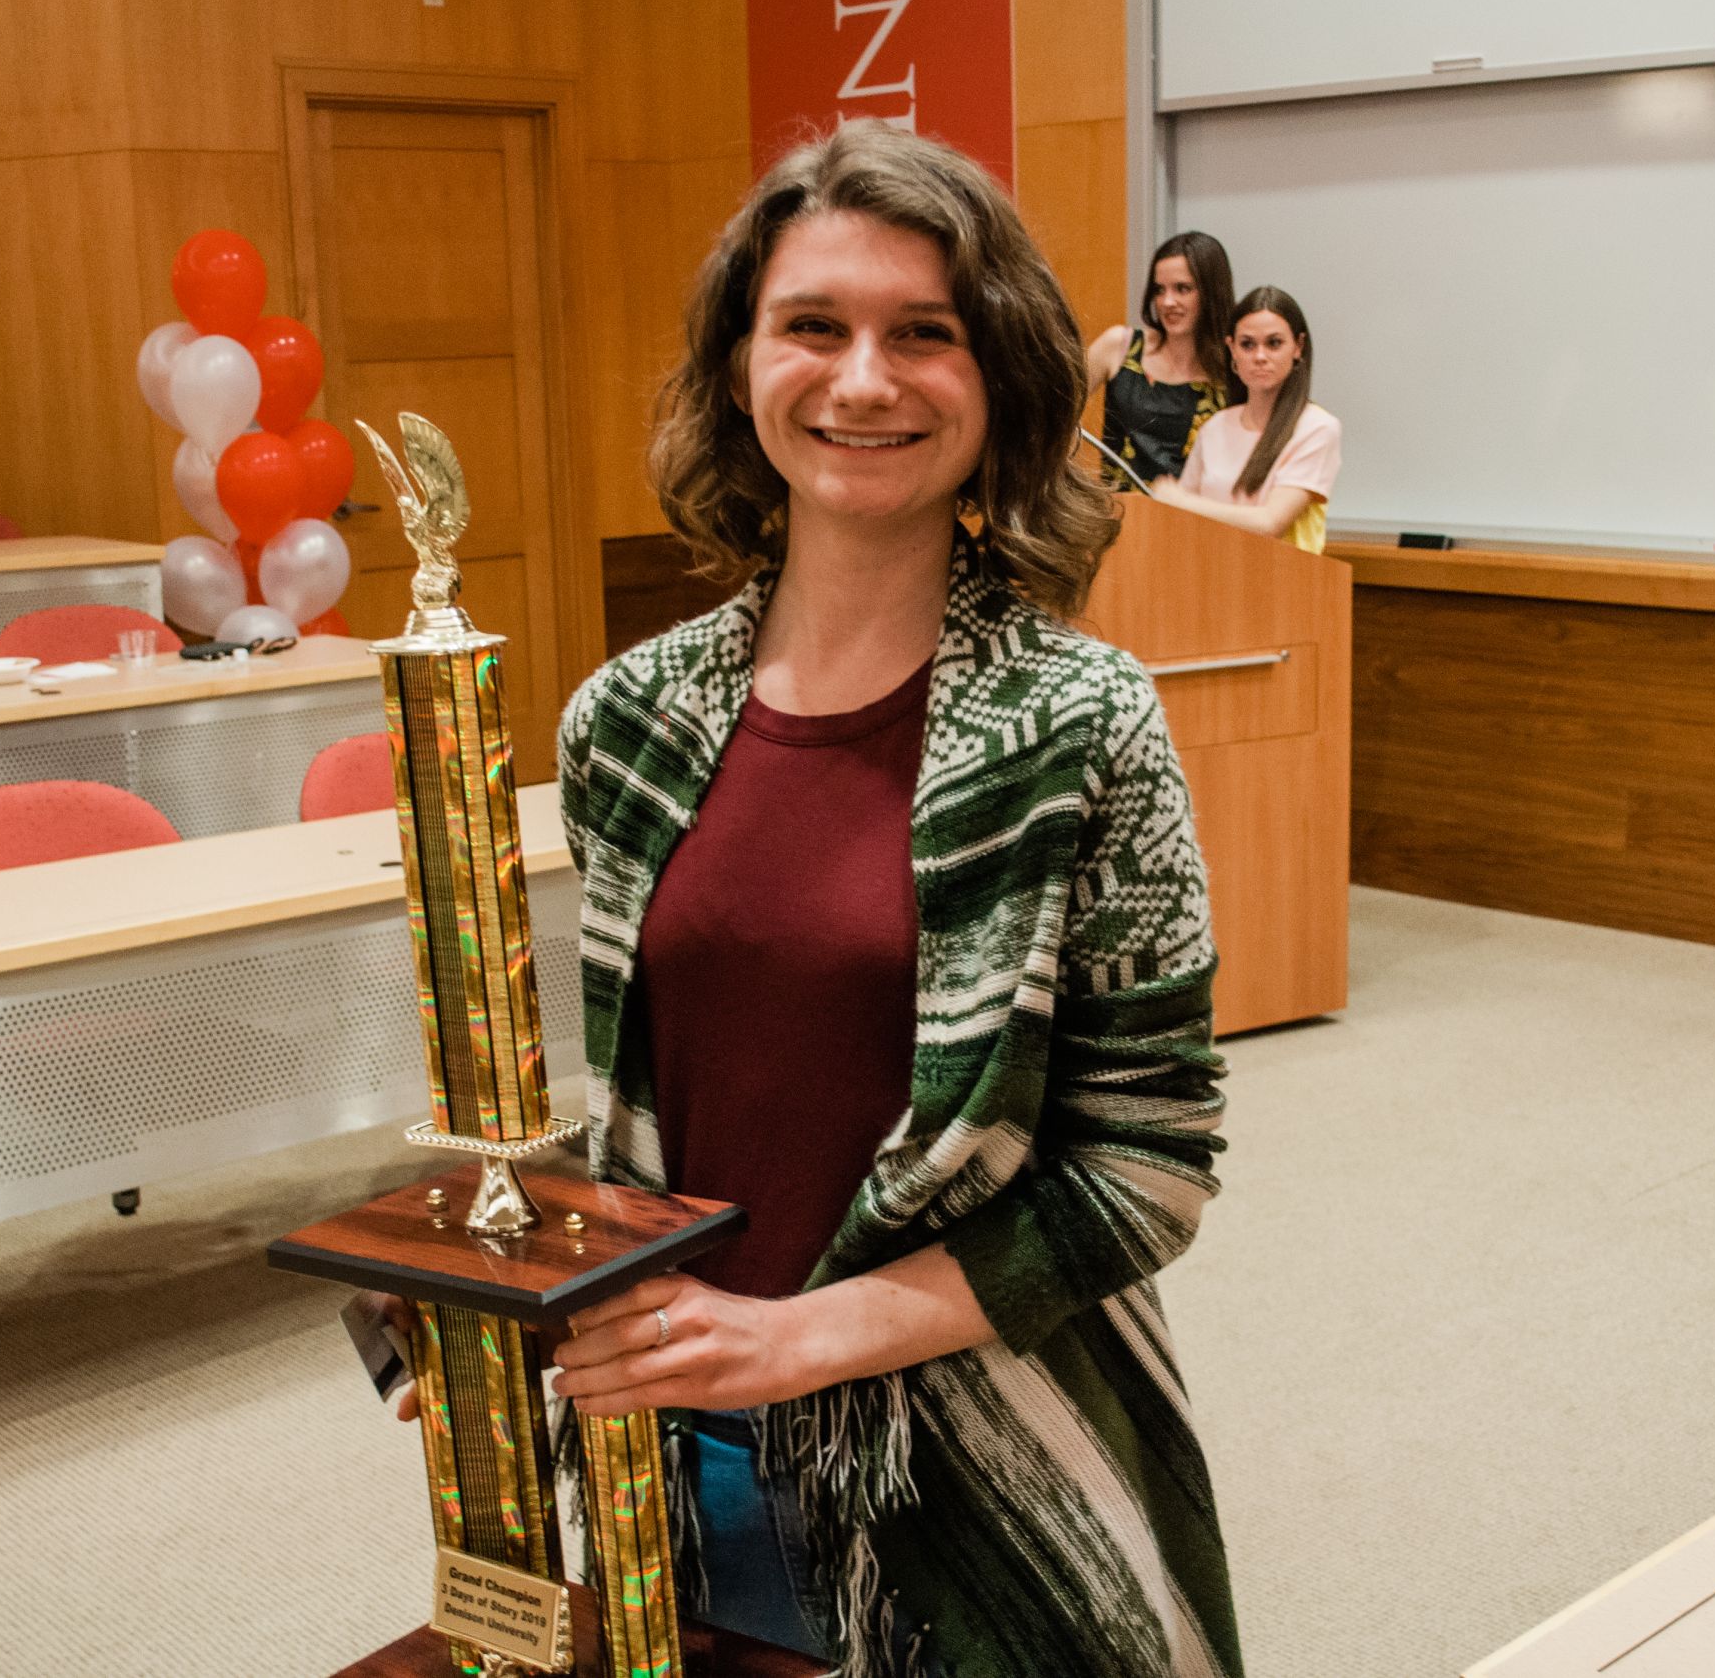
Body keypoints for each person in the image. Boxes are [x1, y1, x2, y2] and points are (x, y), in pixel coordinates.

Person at [534, 123, 1238, 1677]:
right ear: (739, 369)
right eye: (813, 327)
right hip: (682, 1440)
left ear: (1000, 387)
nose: (865, 381)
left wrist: (795, 1339)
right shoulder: (627, 720)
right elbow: (641, 1107)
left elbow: (1151, 1168)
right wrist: (486, 1290)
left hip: (980, 1460)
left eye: (926, 334)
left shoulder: (1081, 721)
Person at [1152, 285, 1341, 553]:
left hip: (1284, 585)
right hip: (1208, 578)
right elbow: (1178, 520)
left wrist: (1181, 501)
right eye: (1248, 344)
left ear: (1298, 347)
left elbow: (1270, 522)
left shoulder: (1317, 427)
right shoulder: (1215, 427)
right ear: (1232, 349)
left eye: (1274, 343)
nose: (1260, 356)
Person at [1085, 232, 1235, 486]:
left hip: (1199, 519)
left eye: (1182, 289)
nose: (1167, 302)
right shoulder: (1119, 346)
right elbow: (1052, 411)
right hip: (1119, 515)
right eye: (1159, 290)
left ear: (1211, 293)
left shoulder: (1234, 369)